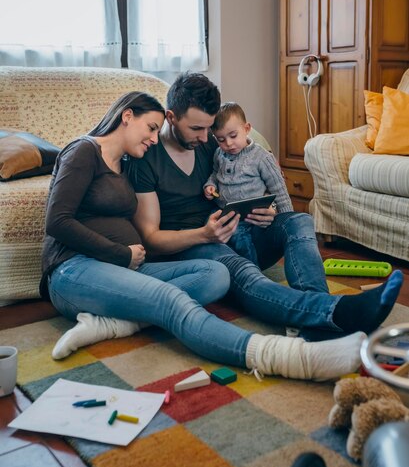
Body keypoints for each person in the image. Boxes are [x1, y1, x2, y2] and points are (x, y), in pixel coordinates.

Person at [42, 90, 367, 382]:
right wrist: (121, 254)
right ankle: (289, 357)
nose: (155, 138)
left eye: (157, 131)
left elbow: (244, 146)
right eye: (151, 128)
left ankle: (114, 324)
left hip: (127, 268)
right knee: (172, 301)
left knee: (215, 275)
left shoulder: (124, 160)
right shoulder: (83, 151)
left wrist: (267, 200)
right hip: (75, 268)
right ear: (127, 116)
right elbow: (57, 221)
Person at [203, 101, 293, 265]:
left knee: (240, 237)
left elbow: (279, 189)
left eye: (233, 136)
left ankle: (252, 274)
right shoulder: (218, 154)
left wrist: (287, 218)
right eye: (221, 139)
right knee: (210, 227)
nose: (228, 144)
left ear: (246, 129)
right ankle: (239, 270)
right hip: (225, 212)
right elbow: (215, 174)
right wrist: (210, 186)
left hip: (251, 215)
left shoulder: (262, 157)